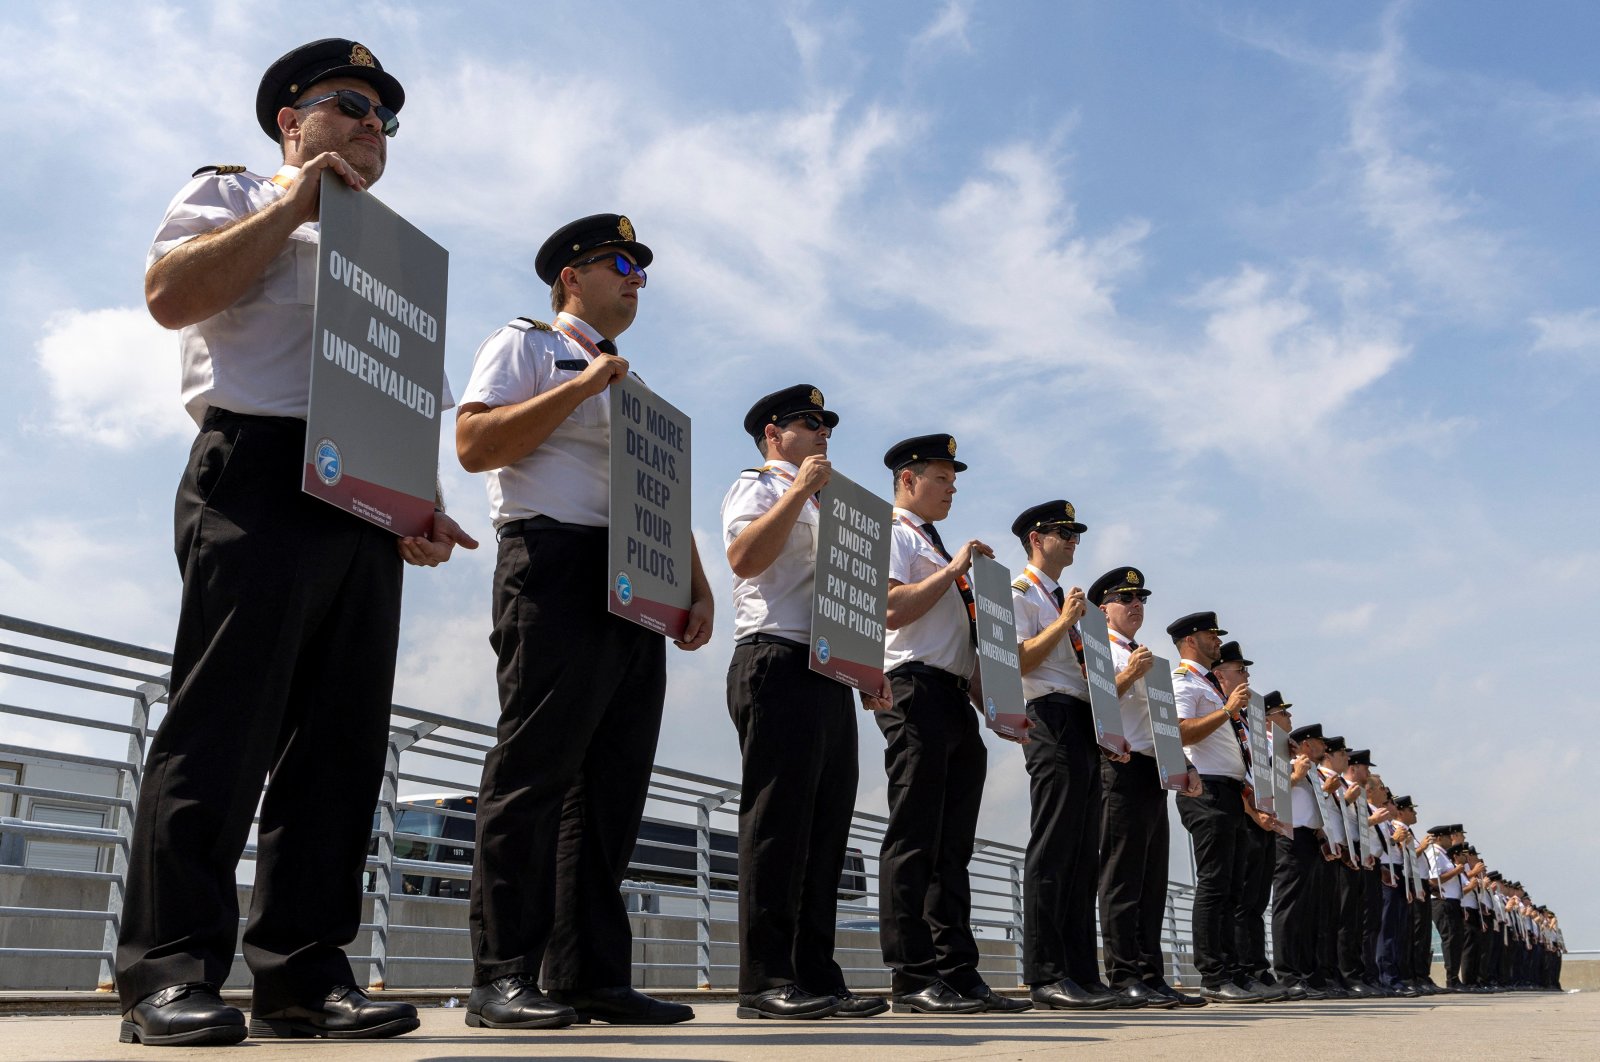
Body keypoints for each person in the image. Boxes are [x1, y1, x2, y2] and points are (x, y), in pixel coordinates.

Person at [114, 38, 477, 1047]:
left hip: (359, 505)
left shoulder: (391, 254)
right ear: (290, 118)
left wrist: (420, 501)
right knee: (222, 732)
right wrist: (295, 207)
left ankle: (304, 979)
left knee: (340, 752)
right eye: (351, 105)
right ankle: (167, 975)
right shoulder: (233, 192)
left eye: (384, 118)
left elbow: (397, 400)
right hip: (261, 475)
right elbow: (171, 297)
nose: (372, 127)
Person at [456, 213, 714, 1029]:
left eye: (642, 266)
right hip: (555, 565)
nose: (637, 276)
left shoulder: (633, 385)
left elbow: (659, 499)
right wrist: (578, 387)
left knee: (611, 793)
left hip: (634, 584)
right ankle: (503, 973)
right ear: (572, 276)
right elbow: (473, 443)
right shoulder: (528, 344)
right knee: (534, 774)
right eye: (621, 261)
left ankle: (591, 973)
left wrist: (697, 586)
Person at [720, 385, 881, 1020]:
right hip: (775, 658)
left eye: (826, 426)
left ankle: (815, 973)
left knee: (825, 830)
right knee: (777, 825)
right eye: (809, 423)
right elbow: (745, 556)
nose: (822, 433)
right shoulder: (757, 485)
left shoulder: (833, 506)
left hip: (829, 671)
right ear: (772, 434)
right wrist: (796, 490)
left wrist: (867, 668)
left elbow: (849, 601)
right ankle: (764, 980)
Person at [875, 435, 1027, 1014]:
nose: (952, 487)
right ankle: (912, 976)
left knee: (952, 847)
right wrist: (957, 569)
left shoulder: (935, 548)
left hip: (953, 696)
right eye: (942, 477)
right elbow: (890, 608)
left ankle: (958, 972)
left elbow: (959, 644)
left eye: (954, 478)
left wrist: (1003, 709)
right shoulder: (893, 533)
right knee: (914, 838)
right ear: (908, 479)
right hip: (912, 689)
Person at [1007, 504, 1120, 1012]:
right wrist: (1067, 621)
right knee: (1053, 847)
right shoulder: (1022, 592)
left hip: (1082, 719)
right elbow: (1015, 659)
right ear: (1037, 538)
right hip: (1047, 713)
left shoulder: (1065, 599)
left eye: (1076, 532)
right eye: (1064, 532)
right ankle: (1047, 973)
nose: (1074, 540)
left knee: (1081, 853)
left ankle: (1081, 971)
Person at [1089, 567, 1205, 1009]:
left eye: (1141, 599)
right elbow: (1095, 703)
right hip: (1118, 767)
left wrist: (1183, 765)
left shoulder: (1145, 657)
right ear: (1104, 609)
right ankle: (1123, 975)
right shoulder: (1100, 649)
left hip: (1153, 771)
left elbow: (1162, 724)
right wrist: (1131, 674)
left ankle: (1151, 974)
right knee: (1122, 877)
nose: (1136, 605)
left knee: (1152, 881)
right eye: (1125, 598)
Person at [1169, 612, 1259, 1002]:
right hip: (1205, 790)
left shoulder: (1209, 684)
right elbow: (1178, 729)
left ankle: (1234, 971)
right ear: (1190, 640)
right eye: (1210, 634)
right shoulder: (1184, 681)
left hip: (1230, 791)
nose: (1217, 640)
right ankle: (1213, 975)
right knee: (1215, 884)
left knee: (1232, 889)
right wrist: (1226, 710)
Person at [1209, 644, 1284, 1002]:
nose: (1247, 676)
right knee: (1227, 894)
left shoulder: (1242, 720)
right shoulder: (1218, 706)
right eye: (1240, 669)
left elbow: (1252, 771)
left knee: (1248, 899)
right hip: (1236, 806)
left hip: (1255, 810)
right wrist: (1255, 811)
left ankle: (1249, 971)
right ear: (1221, 673)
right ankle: (1229, 971)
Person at [1271, 722, 1328, 998]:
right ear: (1306, 743)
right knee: (1289, 906)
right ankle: (1287, 973)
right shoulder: (1283, 761)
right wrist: (1294, 776)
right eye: (1320, 742)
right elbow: (1271, 793)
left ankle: (1305, 973)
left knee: (1306, 912)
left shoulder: (1312, 771)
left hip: (1309, 839)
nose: (1325, 748)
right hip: (1288, 835)